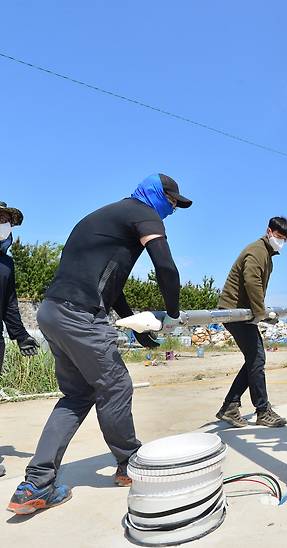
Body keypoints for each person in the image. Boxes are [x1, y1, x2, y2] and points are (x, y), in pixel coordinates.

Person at [8, 174, 191, 515]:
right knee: (116, 386)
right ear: (157, 195)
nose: (172, 211)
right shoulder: (143, 213)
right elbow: (166, 267)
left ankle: (35, 484)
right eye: (173, 203)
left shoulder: (102, 217)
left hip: (53, 311)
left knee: (77, 395)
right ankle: (130, 462)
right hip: (80, 316)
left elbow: (111, 285)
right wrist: (173, 314)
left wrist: (134, 325)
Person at [215, 217, 287, 429]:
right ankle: (262, 410)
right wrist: (261, 312)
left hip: (242, 314)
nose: (281, 242)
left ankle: (230, 405)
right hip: (235, 312)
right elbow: (252, 281)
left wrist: (258, 312)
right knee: (257, 358)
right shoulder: (258, 250)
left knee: (254, 359)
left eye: (285, 239)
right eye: (279, 237)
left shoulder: (266, 253)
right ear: (269, 231)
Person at [0, 201, 39, 478]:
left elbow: (10, 304)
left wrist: (21, 335)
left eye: (5, 220)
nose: (3, 224)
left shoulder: (6, 263)